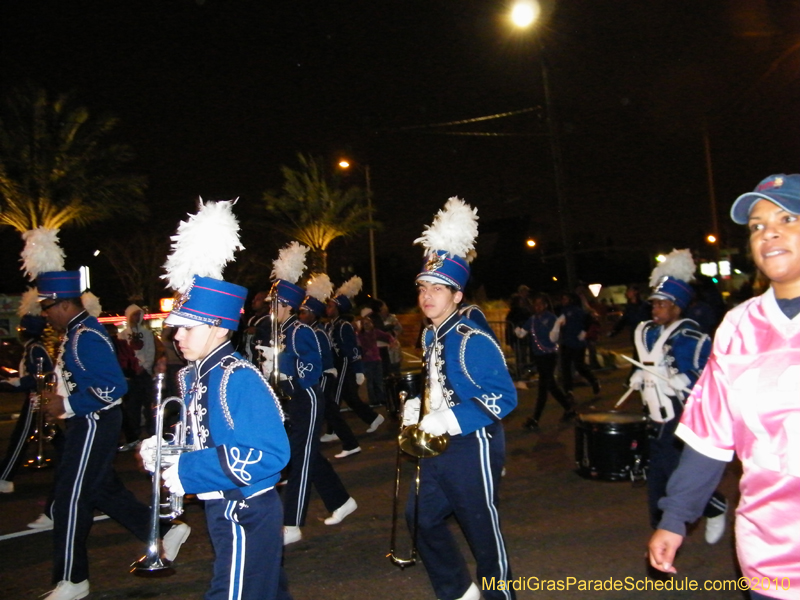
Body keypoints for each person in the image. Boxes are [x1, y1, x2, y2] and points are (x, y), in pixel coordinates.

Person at [648, 174, 800, 600]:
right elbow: (710, 436)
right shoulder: (738, 327)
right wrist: (675, 517)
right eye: (756, 225)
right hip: (771, 557)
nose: (768, 231)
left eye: (786, 217)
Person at [147, 198, 290, 600]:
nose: (177, 336)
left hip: (244, 508)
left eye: (187, 329)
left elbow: (268, 453)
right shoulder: (195, 374)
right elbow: (201, 430)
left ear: (218, 328)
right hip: (222, 504)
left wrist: (189, 470)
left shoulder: (236, 378)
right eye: (176, 328)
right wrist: (166, 447)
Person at [36, 271, 188, 600]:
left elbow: (114, 386)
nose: (44, 315)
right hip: (88, 421)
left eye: (47, 308)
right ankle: (166, 530)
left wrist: (67, 403)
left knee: (70, 500)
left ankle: (72, 580)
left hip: (93, 421)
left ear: (61, 305)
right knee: (102, 490)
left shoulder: (84, 335)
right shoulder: (79, 332)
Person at [405, 197, 517, 600]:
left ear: (456, 295)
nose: (428, 296)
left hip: (475, 443)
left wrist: (448, 419)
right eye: (423, 288)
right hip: (438, 443)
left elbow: (504, 397)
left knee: (482, 532)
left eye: (438, 289)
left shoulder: (472, 338)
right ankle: (457, 590)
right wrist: (416, 406)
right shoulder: (430, 333)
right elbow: (436, 382)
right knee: (418, 517)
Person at [262, 243, 356, 546]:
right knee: (308, 455)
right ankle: (341, 501)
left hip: (309, 397)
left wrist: (285, 364)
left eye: (274, 303)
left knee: (300, 460)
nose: (270, 308)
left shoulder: (300, 331)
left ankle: (291, 523)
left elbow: (312, 366)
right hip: (293, 399)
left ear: (288, 306)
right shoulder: (282, 332)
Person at [629, 249, 726, 540]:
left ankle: (716, 506)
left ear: (677, 307)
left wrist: (684, 377)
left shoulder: (690, 335)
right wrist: (638, 376)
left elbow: (709, 370)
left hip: (681, 414)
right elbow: (647, 361)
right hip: (655, 412)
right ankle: (662, 526)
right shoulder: (647, 331)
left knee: (677, 474)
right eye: (654, 304)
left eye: (661, 305)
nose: (655, 310)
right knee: (658, 474)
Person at [0, 314, 59, 493]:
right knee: (55, 436)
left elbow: (36, 378)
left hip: (36, 398)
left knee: (20, 438)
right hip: (39, 397)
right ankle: (73, 464)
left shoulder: (34, 349)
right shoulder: (34, 348)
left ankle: (5, 478)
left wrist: (10, 384)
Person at [325, 276, 385, 448]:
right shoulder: (331, 325)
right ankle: (373, 418)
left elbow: (352, 348)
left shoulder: (343, 325)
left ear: (338, 309)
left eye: (330, 306)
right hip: (336, 364)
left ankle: (333, 431)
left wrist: (358, 370)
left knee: (335, 398)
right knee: (349, 397)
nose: (327, 309)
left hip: (345, 364)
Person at [515, 293, 576, 430]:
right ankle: (569, 409)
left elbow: (553, 338)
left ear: (546, 305)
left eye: (540, 304)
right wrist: (516, 329)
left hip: (549, 356)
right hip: (539, 356)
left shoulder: (551, 318)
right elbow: (521, 334)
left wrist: (557, 325)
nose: (537, 307)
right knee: (551, 386)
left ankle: (535, 418)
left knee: (544, 386)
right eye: (535, 304)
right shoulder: (532, 319)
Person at [117, 304, 156, 450]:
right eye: (134, 315)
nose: (136, 318)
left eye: (138, 315)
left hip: (144, 374)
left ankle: (152, 433)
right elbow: (123, 354)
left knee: (149, 404)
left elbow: (150, 351)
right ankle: (134, 435)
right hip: (131, 375)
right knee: (133, 406)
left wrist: (145, 366)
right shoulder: (122, 335)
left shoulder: (146, 333)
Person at [557, 292, 601, 397]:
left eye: (565, 299)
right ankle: (568, 390)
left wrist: (584, 332)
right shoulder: (562, 311)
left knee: (579, 365)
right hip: (566, 342)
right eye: (562, 299)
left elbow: (590, 320)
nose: (563, 301)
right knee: (566, 367)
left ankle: (594, 381)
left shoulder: (577, 310)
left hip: (578, 343)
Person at [355, 311, 394, 408]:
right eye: (365, 324)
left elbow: (387, 336)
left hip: (377, 359)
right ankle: (373, 400)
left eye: (368, 323)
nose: (367, 325)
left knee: (378, 380)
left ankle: (381, 398)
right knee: (370, 381)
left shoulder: (375, 332)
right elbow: (357, 344)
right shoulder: (360, 335)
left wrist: (392, 342)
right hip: (367, 361)